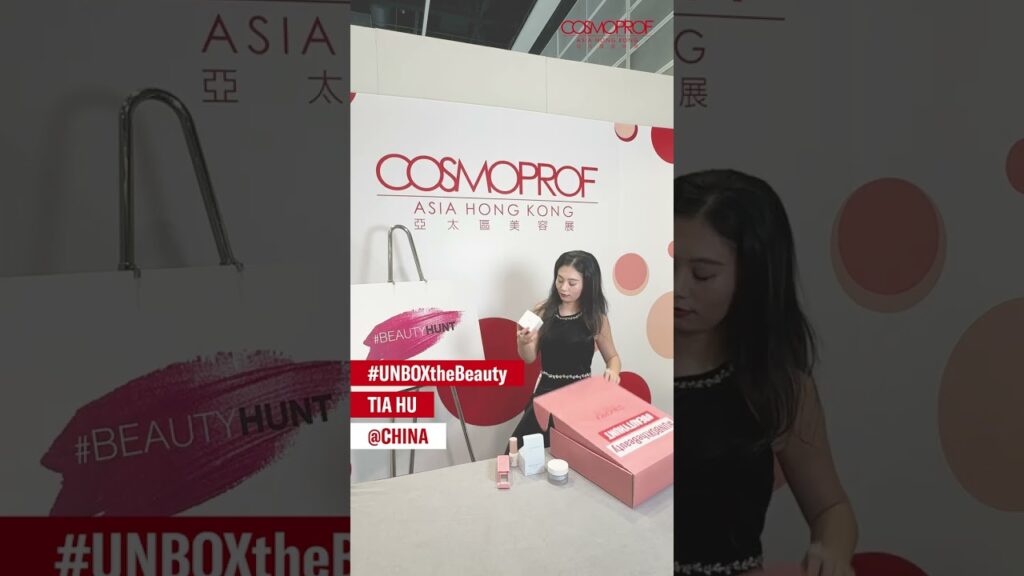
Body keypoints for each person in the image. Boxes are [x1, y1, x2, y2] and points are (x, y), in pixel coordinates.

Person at [674, 170, 858, 576]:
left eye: (703, 274)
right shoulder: (624, 368)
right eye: (667, 263)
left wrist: (831, 551)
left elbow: (831, 508)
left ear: (752, 275)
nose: (677, 287)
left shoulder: (776, 385)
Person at [510, 250, 621, 448]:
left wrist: (613, 371)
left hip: (581, 398)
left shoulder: (596, 318)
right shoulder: (541, 310)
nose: (563, 288)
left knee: (574, 455)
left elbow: (612, 357)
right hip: (546, 394)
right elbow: (528, 358)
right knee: (522, 451)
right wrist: (524, 342)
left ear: (588, 284)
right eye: (559, 280)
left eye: (572, 283)